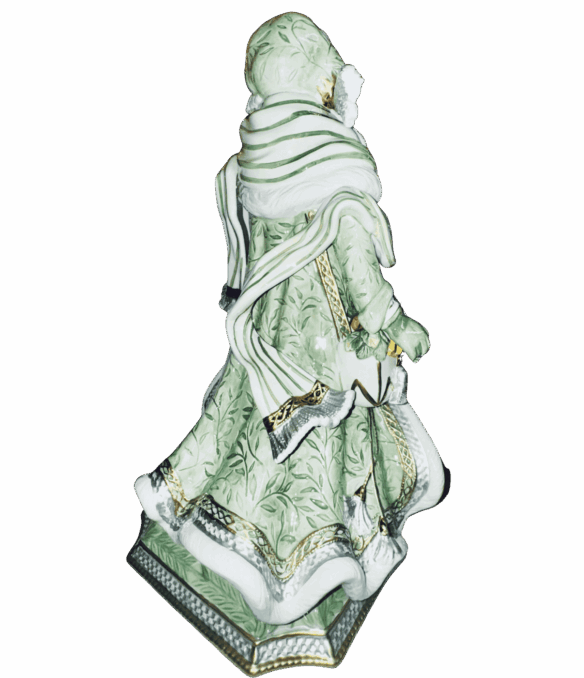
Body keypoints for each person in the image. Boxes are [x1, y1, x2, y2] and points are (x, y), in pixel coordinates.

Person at [133, 12, 444, 627]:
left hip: (266, 340)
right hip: (327, 352)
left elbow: (242, 256)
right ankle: (287, 577)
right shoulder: (337, 180)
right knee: (316, 459)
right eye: (331, 72)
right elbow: (363, 282)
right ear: (319, 84)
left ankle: (215, 533)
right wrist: (399, 327)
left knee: (243, 433)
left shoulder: (250, 166)